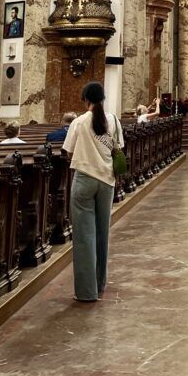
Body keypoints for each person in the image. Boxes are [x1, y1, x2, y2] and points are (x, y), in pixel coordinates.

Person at [62, 81, 123, 303]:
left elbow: (68, 152)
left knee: (84, 236)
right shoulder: (114, 121)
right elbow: (118, 150)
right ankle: (100, 283)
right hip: (107, 181)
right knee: (102, 233)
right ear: (103, 99)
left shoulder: (78, 122)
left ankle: (87, 292)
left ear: (86, 99)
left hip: (84, 180)